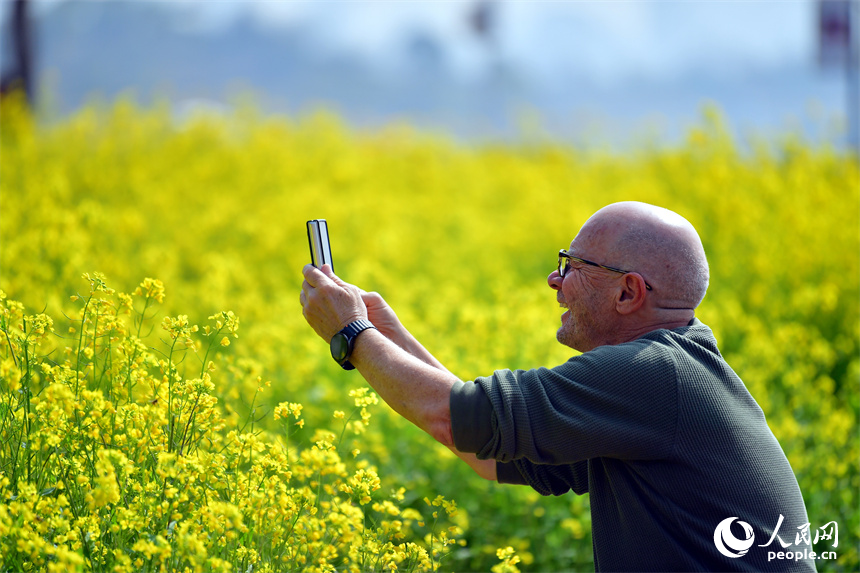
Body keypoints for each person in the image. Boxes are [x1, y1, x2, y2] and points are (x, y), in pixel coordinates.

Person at [299, 201, 813, 572]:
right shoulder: (674, 370)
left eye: (574, 266)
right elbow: (487, 451)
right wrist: (389, 333)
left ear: (628, 292)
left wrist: (352, 336)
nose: (553, 279)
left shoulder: (651, 374)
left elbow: (453, 416)